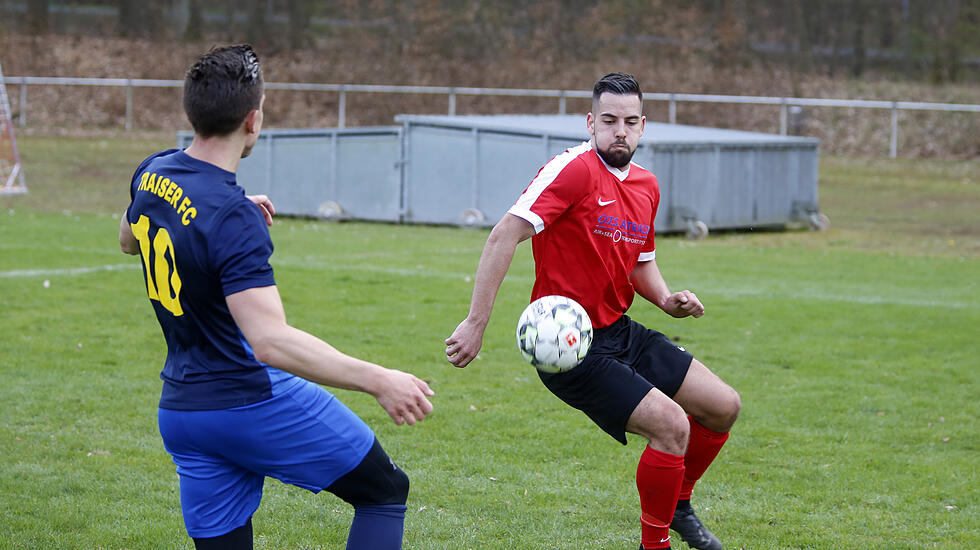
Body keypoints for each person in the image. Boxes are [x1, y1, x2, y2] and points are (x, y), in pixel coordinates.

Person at [118, 45, 434, 550]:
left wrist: (217, 209)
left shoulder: (153, 171)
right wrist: (380, 380)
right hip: (246, 400)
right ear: (254, 119)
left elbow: (130, 237)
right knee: (384, 491)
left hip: (182, 412)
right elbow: (270, 342)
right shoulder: (231, 217)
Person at [445, 73, 740, 550]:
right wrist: (476, 322)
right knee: (671, 427)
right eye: (608, 120)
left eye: (628, 122)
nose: (618, 131)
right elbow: (503, 235)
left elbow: (641, 261)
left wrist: (667, 301)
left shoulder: (646, 184)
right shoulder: (573, 169)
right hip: (569, 347)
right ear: (591, 122)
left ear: (643, 126)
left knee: (723, 407)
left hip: (619, 331)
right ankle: (655, 544)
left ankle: (679, 505)